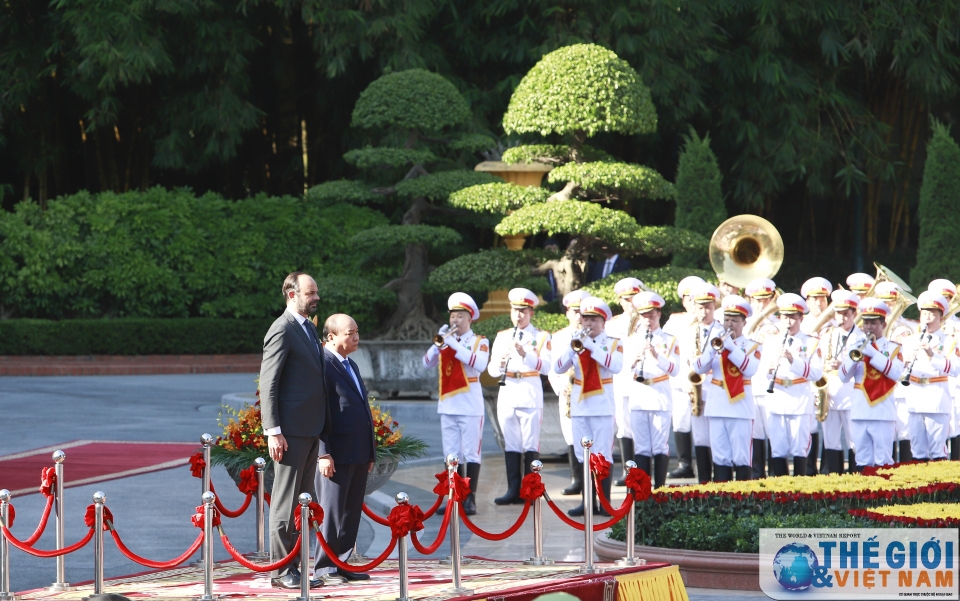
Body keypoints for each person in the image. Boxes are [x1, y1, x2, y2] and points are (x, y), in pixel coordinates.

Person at [259, 272, 329, 590]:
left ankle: (296, 567)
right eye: (310, 292)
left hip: (309, 429)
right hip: (290, 431)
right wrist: (273, 431)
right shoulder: (282, 329)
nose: (316, 297)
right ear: (291, 294)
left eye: (316, 292)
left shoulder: (307, 329)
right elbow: (268, 382)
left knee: (303, 501)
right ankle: (280, 571)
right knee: (285, 505)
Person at [313, 314, 375, 584]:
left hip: (357, 450)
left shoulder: (349, 364)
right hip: (335, 452)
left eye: (357, 331)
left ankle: (341, 562)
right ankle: (325, 567)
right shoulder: (322, 365)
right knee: (332, 511)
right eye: (349, 332)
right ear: (331, 337)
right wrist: (323, 452)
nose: (355, 336)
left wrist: (370, 451)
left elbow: (360, 407)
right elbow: (317, 413)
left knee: (350, 512)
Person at [554, 296, 623, 516]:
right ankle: (587, 502)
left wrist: (591, 346)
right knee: (583, 453)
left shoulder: (613, 343)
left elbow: (616, 366)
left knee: (602, 454)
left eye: (594, 320)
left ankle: (604, 502)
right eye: (586, 319)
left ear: (603, 322)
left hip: (602, 405)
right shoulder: (576, 342)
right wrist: (572, 349)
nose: (589, 324)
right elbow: (557, 368)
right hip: (580, 405)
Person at [422, 293, 489, 515]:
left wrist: (453, 344)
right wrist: (439, 343)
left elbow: (479, 365)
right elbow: (426, 363)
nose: (455, 321)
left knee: (471, 453)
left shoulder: (479, 341)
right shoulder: (446, 339)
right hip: (448, 404)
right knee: (451, 454)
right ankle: (454, 497)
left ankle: (471, 498)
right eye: (452, 316)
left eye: (460, 316)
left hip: (470, 406)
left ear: (470, 318)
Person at [487, 288, 551, 505]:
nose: (518, 315)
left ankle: (530, 490)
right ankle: (513, 489)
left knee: (530, 444)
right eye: (515, 310)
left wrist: (526, 355)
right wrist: (500, 362)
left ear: (531, 313)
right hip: (508, 392)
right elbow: (492, 371)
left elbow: (547, 367)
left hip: (530, 392)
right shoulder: (502, 336)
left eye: (523, 311)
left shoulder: (541, 337)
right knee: (511, 444)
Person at [692, 295, 761, 482]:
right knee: (720, 457)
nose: (729, 324)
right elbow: (698, 368)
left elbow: (750, 369)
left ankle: (743, 503)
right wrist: (711, 350)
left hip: (740, 407)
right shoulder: (715, 342)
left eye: (734, 320)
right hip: (717, 405)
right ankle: (721, 503)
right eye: (727, 320)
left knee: (741, 457)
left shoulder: (752, 346)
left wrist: (731, 348)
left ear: (744, 322)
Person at [760, 293, 823, 477]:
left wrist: (792, 360)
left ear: (801, 318)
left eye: (793, 317)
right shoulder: (771, 341)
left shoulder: (811, 342)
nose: (789, 322)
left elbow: (816, 373)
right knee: (777, 448)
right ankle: (781, 493)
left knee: (799, 447)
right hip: (777, 396)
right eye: (785, 317)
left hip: (799, 398)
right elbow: (761, 371)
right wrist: (769, 370)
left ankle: (800, 491)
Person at [838, 299, 904, 469]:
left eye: (873, 323)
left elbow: (895, 373)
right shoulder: (856, 345)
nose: (868, 327)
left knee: (883, 460)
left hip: (882, 412)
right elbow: (843, 377)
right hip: (860, 410)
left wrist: (873, 353)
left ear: (883, 324)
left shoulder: (893, 348)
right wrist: (854, 357)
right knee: (862, 460)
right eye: (866, 323)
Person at [626, 291, 680, 488]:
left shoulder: (670, 339)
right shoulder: (631, 340)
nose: (648, 319)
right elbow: (620, 371)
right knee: (641, 447)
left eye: (652, 314)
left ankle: (659, 490)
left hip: (660, 395)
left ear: (659, 313)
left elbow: (675, 370)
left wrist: (657, 356)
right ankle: (642, 490)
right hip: (639, 395)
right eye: (644, 315)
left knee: (659, 446)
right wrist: (634, 360)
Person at [902, 291, 960, 461]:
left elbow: (955, 368)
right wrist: (904, 363)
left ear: (941, 318)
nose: (927, 318)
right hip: (914, 399)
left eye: (932, 314)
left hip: (936, 399)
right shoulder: (909, 340)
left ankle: (940, 488)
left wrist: (931, 355)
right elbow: (898, 371)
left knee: (937, 451)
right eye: (924, 313)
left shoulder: (949, 341)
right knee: (917, 451)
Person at [680, 283, 726, 483]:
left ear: (714, 307)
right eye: (700, 307)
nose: (704, 311)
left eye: (708, 307)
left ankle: (719, 481)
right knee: (700, 438)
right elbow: (684, 361)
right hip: (697, 389)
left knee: (717, 438)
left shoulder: (722, 331)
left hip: (716, 389)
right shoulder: (689, 332)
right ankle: (703, 482)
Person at [663, 275, 706, 479]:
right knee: (680, 421)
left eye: (697, 299)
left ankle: (708, 463)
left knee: (703, 425)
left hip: (704, 381)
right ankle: (684, 463)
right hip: (681, 379)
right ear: (683, 301)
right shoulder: (675, 320)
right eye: (689, 299)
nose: (693, 303)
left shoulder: (710, 320)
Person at [547, 289, 589, 496]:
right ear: (567, 313)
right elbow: (552, 367)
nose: (579, 316)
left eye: (582, 311)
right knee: (571, 435)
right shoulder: (559, 337)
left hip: (590, 391)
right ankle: (577, 479)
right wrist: (561, 384)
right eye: (574, 311)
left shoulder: (596, 335)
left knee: (591, 438)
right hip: (569, 391)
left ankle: (593, 481)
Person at [818, 291, 864, 473]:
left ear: (854, 314)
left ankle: (855, 479)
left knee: (854, 439)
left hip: (851, 393)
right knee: (830, 439)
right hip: (831, 393)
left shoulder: (860, 337)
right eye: (839, 313)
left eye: (846, 313)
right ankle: (834, 480)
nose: (842, 317)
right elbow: (819, 363)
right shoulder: (828, 335)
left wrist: (842, 365)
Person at [606, 277, 644, 486]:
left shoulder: (647, 320)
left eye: (634, 298)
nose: (631, 303)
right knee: (623, 426)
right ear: (620, 301)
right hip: (620, 381)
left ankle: (642, 470)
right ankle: (628, 470)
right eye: (626, 299)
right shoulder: (613, 324)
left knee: (640, 426)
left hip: (641, 381)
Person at [744, 277, 780, 479]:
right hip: (751, 385)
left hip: (771, 386)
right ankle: (757, 475)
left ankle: (776, 477)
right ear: (750, 300)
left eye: (766, 299)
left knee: (773, 434)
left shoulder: (778, 324)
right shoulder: (746, 324)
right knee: (755, 435)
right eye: (757, 300)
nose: (762, 304)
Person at [799, 276, 834, 474]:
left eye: (822, 298)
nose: (819, 302)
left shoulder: (836, 324)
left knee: (828, 424)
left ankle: (827, 468)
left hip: (830, 377)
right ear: (807, 302)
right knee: (810, 425)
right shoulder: (802, 324)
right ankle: (809, 468)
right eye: (814, 299)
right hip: (808, 378)